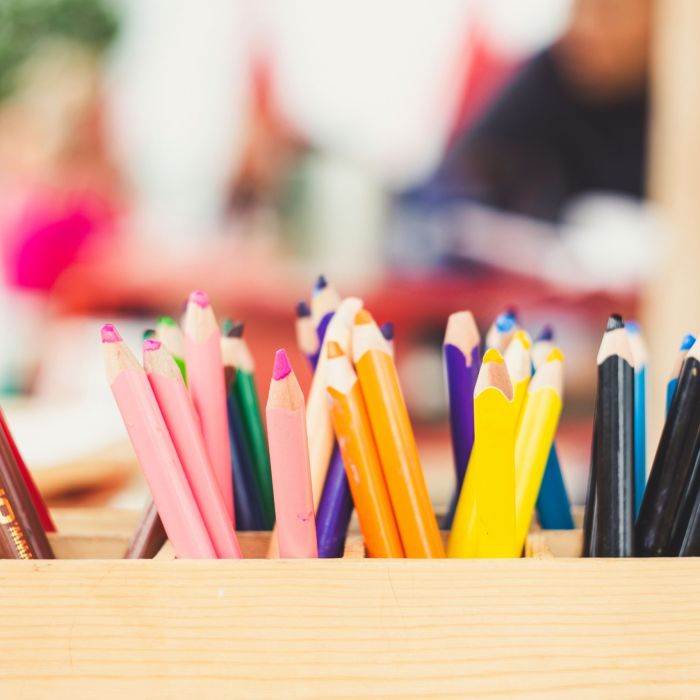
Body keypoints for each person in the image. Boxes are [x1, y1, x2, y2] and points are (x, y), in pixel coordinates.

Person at [425, 0, 651, 223]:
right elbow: (459, 172)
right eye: (578, 9)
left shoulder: (677, 104)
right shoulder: (554, 71)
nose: (583, 28)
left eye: (610, 12)